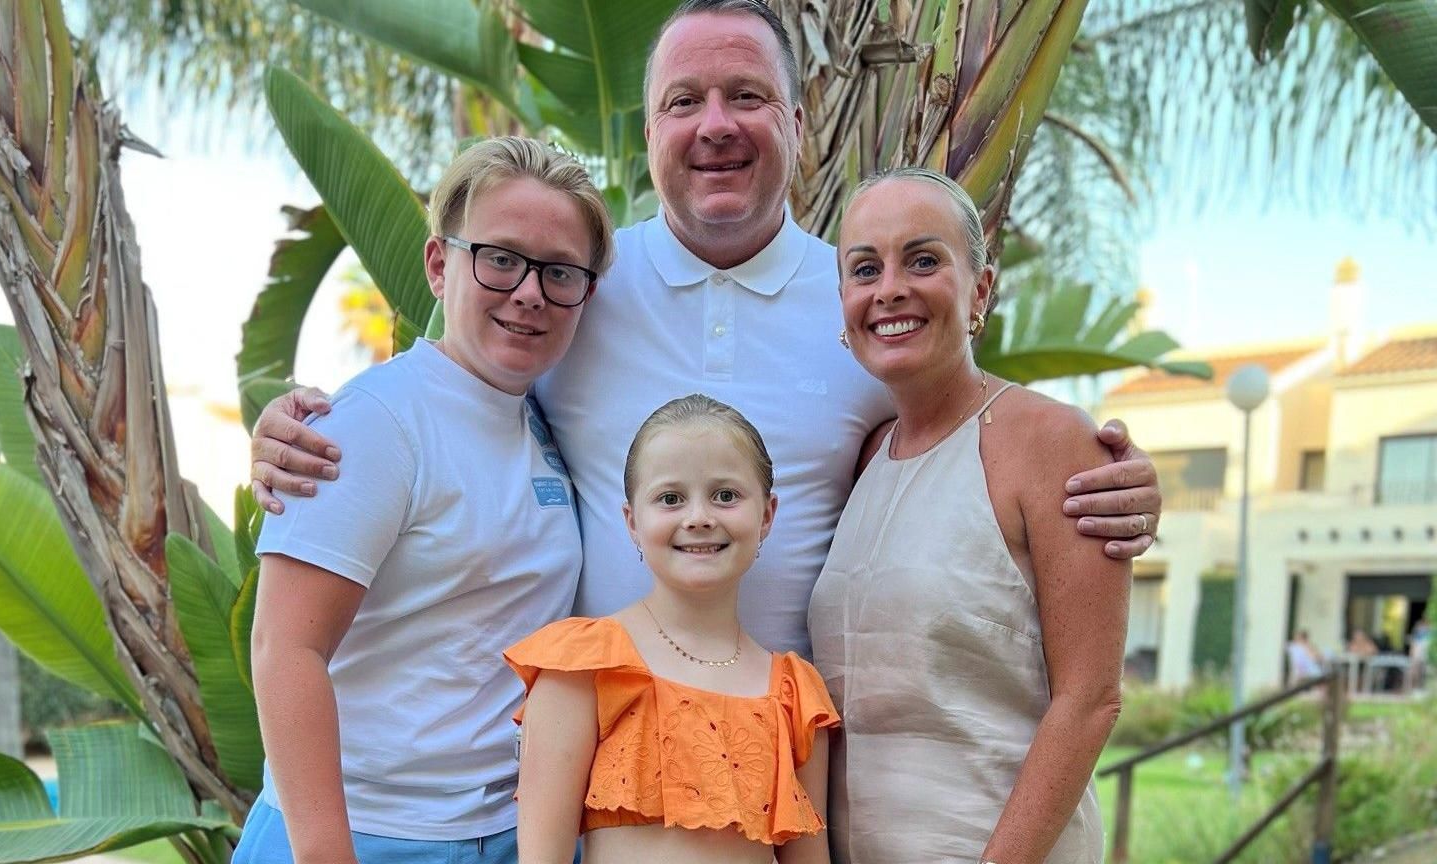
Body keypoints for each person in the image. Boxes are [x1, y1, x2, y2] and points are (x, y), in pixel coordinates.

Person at [248, 0, 1163, 665]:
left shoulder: (867, 307)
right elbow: (452, 391)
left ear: (797, 126)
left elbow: (970, 446)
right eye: (684, 101)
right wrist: (303, 430)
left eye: (747, 97)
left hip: (790, 763)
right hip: (587, 768)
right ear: (650, 132)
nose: (715, 125)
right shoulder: (576, 290)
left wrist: (1109, 480)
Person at [232, 137, 614, 863]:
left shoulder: (540, 419)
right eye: (500, 258)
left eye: (560, 271)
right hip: (364, 838)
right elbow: (285, 647)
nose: (529, 292)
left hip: (502, 834)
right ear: (441, 265)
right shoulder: (378, 420)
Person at [809, 168, 1130, 863]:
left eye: (923, 260)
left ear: (980, 290)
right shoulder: (863, 458)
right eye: (865, 268)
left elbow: (1091, 699)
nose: (890, 287)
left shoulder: (1051, 440)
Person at [505, 395, 835, 864]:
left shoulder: (792, 694)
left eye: (725, 495)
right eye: (670, 498)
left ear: (766, 515)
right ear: (632, 522)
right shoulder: (588, 665)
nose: (699, 517)